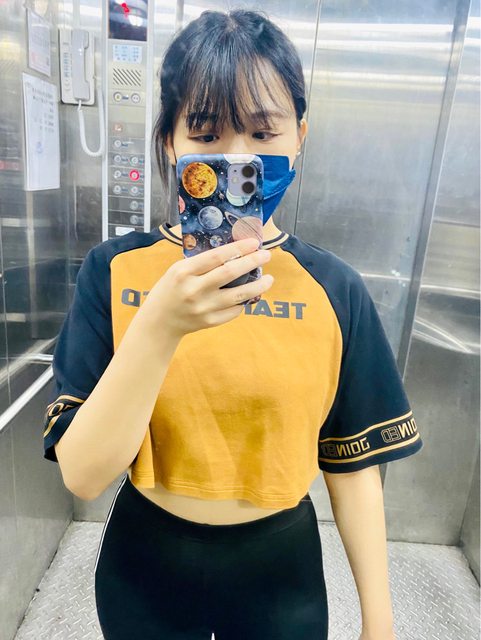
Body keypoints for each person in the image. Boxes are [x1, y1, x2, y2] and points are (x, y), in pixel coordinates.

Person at [43, 9, 423, 640]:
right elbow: (83, 477)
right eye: (207, 133)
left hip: (280, 572)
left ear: (299, 137)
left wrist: (378, 622)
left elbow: (352, 468)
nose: (238, 158)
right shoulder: (113, 271)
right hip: (145, 566)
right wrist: (159, 327)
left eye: (263, 131)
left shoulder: (335, 289)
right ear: (170, 141)